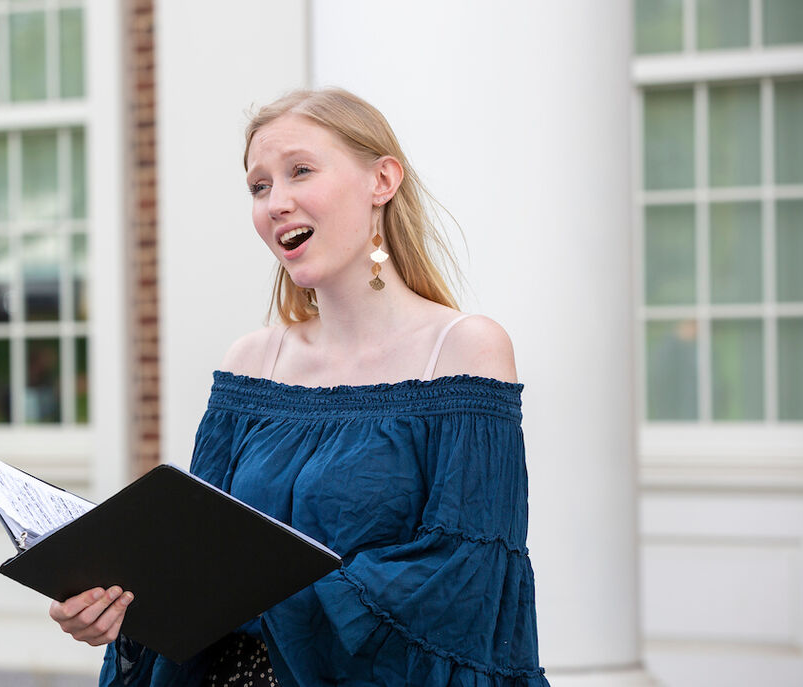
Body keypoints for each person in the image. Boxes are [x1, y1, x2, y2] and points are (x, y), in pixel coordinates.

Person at [50, 88, 549, 686]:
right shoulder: (253, 362)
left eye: (300, 172)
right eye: (259, 187)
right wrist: (121, 606)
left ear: (382, 180)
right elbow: (193, 553)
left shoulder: (465, 350)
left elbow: (467, 578)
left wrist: (261, 596)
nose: (275, 202)